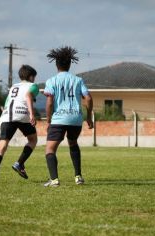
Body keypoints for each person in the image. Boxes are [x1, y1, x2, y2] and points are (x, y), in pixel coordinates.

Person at [43, 46, 93, 187]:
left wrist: (48, 121)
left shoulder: (51, 81)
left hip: (59, 119)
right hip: (76, 119)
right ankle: (78, 177)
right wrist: (88, 117)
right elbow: (88, 98)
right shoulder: (78, 80)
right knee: (73, 143)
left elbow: (49, 102)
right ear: (70, 64)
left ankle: (54, 180)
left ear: (56, 64)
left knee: (50, 149)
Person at [0, 65, 39, 183]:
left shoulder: (13, 87)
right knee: (33, 140)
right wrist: (32, 114)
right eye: (34, 77)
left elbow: (7, 102)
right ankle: (19, 163)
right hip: (22, 114)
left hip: (6, 115)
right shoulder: (33, 86)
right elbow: (28, 96)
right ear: (31, 77)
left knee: (2, 145)